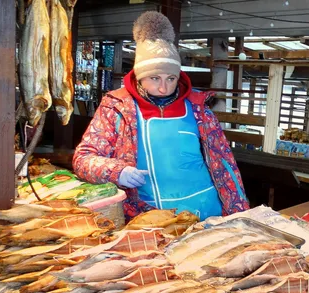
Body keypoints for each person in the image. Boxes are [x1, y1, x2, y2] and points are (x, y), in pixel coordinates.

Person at [73, 11, 249, 221]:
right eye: (154, 78)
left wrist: (240, 215)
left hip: (206, 211)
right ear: (139, 75)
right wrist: (117, 171)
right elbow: (83, 159)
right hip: (150, 218)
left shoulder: (198, 109)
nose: (164, 87)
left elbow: (226, 166)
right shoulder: (117, 108)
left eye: (171, 78)